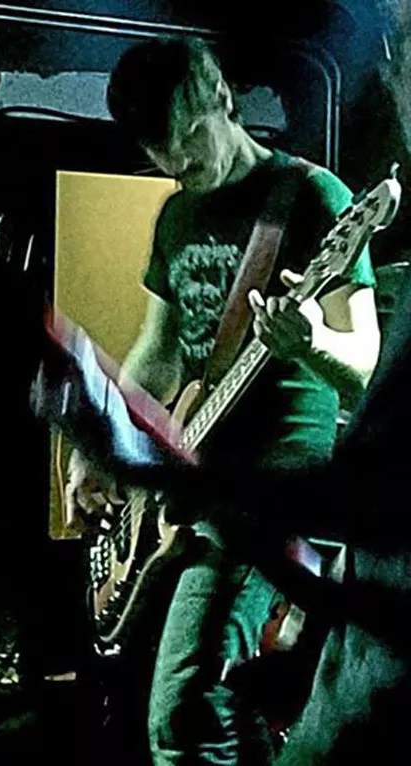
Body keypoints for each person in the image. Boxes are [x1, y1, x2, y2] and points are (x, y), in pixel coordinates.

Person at [66, 37, 382, 765]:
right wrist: (106, 442)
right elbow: (161, 350)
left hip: (276, 488)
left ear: (222, 98)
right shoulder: (176, 216)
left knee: (186, 711)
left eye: (189, 140)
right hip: (195, 487)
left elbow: (366, 367)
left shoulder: (312, 197)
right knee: (185, 705)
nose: (178, 164)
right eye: (160, 154)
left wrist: (310, 344)